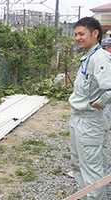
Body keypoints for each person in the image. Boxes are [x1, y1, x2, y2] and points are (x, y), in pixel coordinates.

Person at [69, 17, 111, 200]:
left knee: (92, 170)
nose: (78, 38)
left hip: (90, 122)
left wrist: (101, 101)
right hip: (78, 119)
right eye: (76, 34)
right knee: (79, 165)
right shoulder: (89, 57)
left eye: (81, 34)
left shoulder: (100, 58)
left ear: (95, 34)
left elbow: (109, 88)